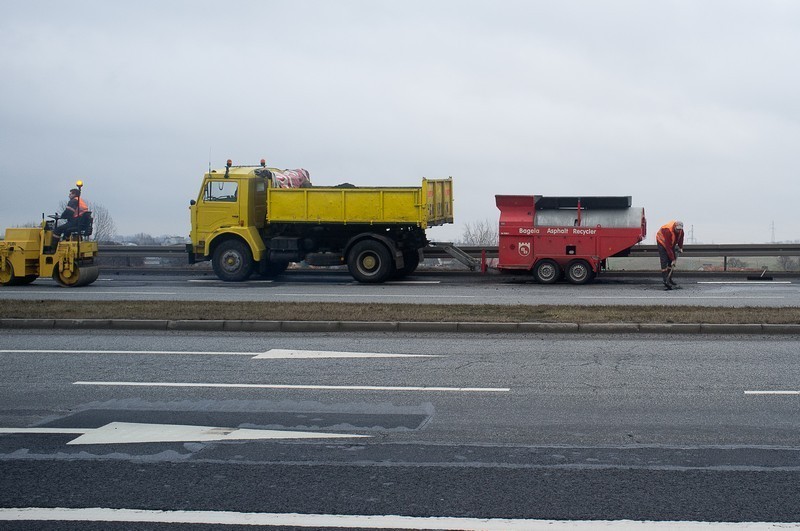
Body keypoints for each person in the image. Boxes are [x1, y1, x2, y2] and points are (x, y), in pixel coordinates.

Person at [656, 220, 684, 290]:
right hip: (662, 243)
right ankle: (665, 279)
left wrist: (680, 247)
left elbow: (680, 239)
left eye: (680, 229)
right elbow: (668, 247)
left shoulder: (681, 231)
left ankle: (670, 279)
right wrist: (673, 259)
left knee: (671, 262)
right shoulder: (668, 230)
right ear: (675, 226)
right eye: (677, 229)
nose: (678, 230)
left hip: (670, 244)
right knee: (664, 260)